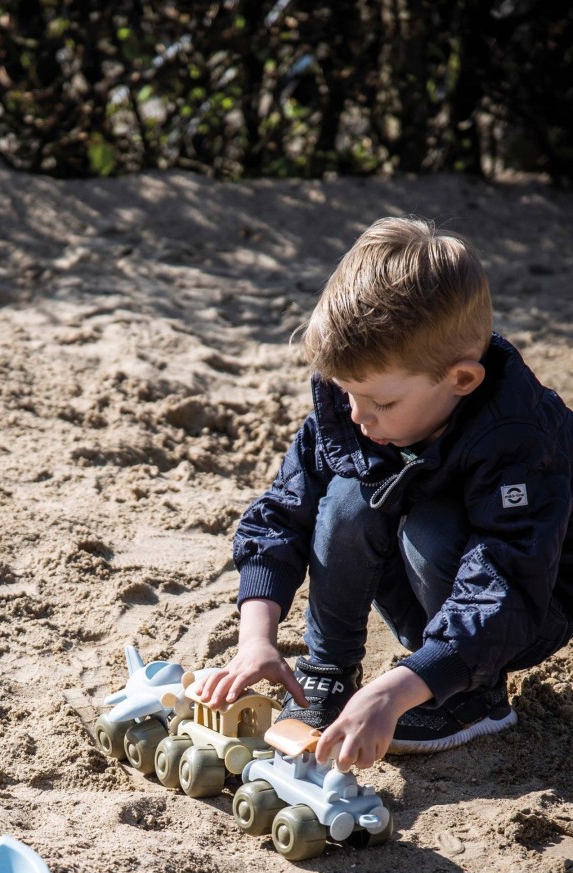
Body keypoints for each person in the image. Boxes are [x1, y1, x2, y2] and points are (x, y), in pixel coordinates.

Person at [193, 216, 573, 770]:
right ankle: (328, 669)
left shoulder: (518, 440)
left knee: (431, 528)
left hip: (525, 612)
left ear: (461, 380)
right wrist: (257, 637)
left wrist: (396, 690)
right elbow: (281, 515)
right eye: (346, 392)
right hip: (431, 600)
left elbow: (507, 585)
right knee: (347, 498)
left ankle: (472, 695)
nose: (358, 415)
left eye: (382, 403)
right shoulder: (357, 406)